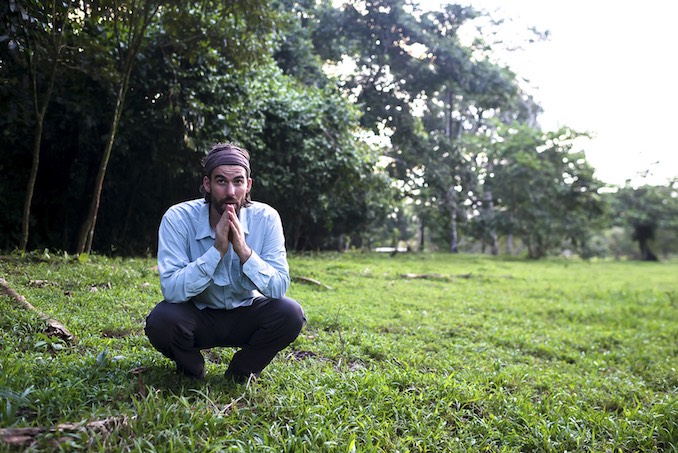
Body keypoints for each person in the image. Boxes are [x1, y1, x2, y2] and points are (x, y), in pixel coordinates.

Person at [145, 142, 305, 383]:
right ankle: (192, 368)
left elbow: (278, 287)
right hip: (196, 314)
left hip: (246, 312)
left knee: (290, 313)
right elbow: (172, 290)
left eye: (238, 182)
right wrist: (217, 250)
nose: (230, 191)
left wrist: (243, 250)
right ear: (207, 184)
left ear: (248, 185)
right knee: (161, 321)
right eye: (221, 181)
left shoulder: (266, 218)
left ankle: (242, 371)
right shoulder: (178, 217)